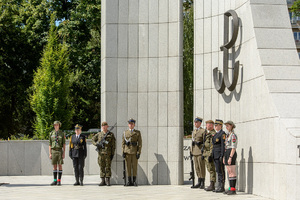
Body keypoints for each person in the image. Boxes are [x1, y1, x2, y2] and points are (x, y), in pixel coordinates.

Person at [92, 122, 116, 186]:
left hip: (108, 153)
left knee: (108, 166)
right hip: (100, 153)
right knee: (101, 166)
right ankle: (102, 180)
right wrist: (97, 144)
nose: (103, 127)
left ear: (107, 126)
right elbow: (93, 139)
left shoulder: (111, 134)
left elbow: (113, 145)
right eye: (102, 126)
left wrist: (112, 153)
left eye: (105, 126)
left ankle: (107, 180)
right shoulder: (99, 134)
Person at [122, 118, 142, 186]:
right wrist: (123, 152)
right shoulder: (125, 132)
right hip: (127, 152)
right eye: (130, 124)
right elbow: (123, 143)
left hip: (134, 152)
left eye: (132, 124)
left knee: (134, 167)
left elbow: (139, 143)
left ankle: (134, 181)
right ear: (128, 125)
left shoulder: (137, 132)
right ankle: (129, 181)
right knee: (128, 167)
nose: (131, 125)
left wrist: (138, 152)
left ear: (134, 125)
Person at [190, 117, 206, 189]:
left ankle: (203, 182)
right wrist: (191, 151)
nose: (195, 123)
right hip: (194, 152)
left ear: (200, 123)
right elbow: (192, 142)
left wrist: (201, 144)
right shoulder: (194, 131)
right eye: (195, 122)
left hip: (200, 151)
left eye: (197, 122)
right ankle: (199, 181)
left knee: (201, 167)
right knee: (197, 167)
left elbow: (205, 142)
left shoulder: (203, 131)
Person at [49, 121, 66, 186]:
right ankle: (55, 180)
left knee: (60, 165)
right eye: (55, 125)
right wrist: (50, 153)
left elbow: (64, 144)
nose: (56, 126)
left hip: (59, 150)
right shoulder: (51, 133)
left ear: (59, 126)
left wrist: (64, 152)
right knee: (54, 165)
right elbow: (50, 144)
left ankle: (59, 180)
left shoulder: (62, 134)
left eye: (57, 125)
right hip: (53, 150)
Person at [223, 121, 238, 195]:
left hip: (231, 153)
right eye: (226, 126)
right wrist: (224, 157)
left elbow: (233, 147)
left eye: (228, 125)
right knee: (229, 171)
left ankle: (233, 189)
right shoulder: (228, 135)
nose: (226, 127)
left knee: (232, 171)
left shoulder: (233, 135)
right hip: (227, 152)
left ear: (232, 126)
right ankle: (230, 187)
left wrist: (230, 157)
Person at [212, 119, 226, 192]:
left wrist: (222, 155)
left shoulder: (222, 134)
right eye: (215, 125)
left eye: (217, 125)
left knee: (221, 171)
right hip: (215, 154)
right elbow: (214, 145)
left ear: (220, 126)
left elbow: (223, 146)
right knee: (217, 170)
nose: (215, 126)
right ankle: (219, 185)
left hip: (219, 154)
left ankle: (222, 186)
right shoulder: (216, 134)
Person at [202, 120, 216, 191]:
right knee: (209, 169)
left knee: (211, 169)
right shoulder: (207, 133)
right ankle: (211, 184)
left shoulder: (213, 134)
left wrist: (210, 155)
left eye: (207, 124)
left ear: (211, 125)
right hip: (206, 153)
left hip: (209, 154)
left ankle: (212, 184)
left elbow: (212, 145)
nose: (206, 126)